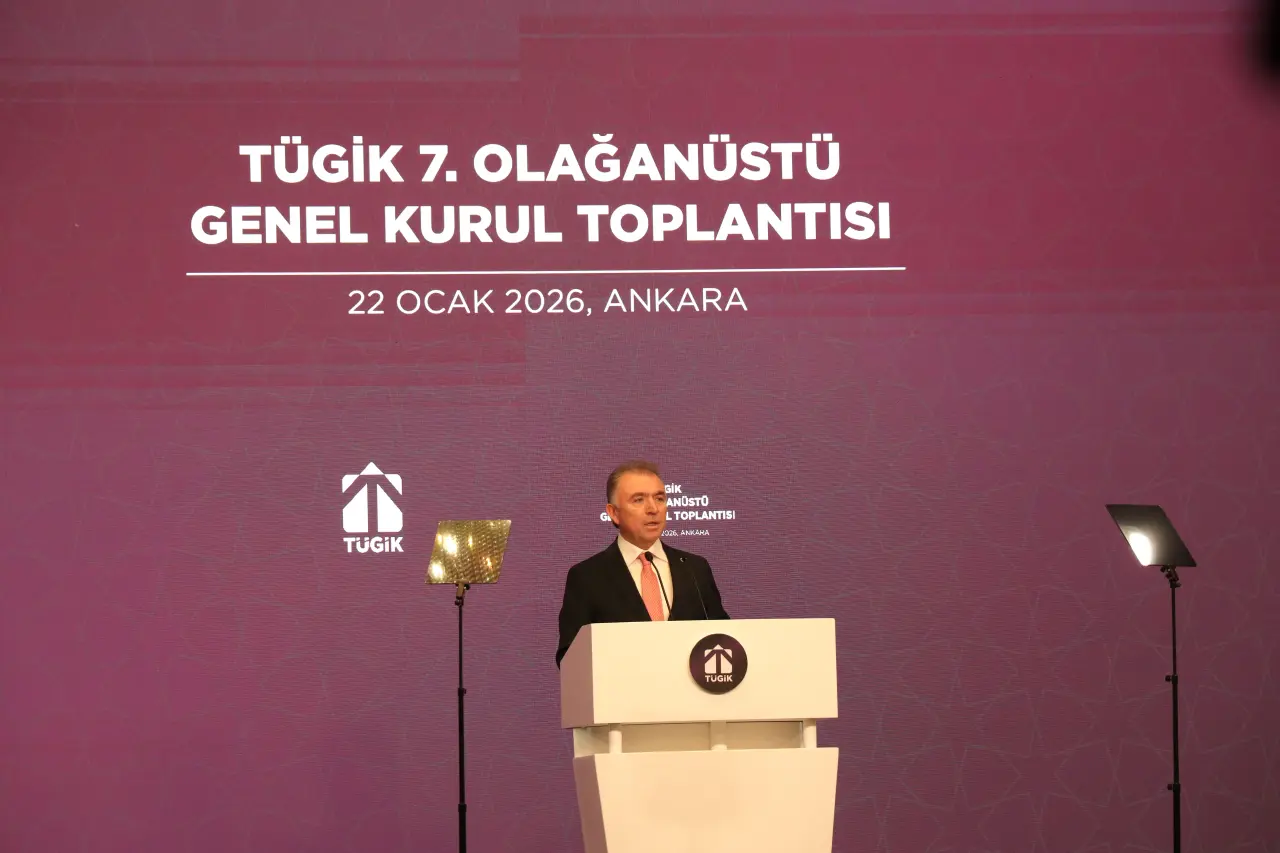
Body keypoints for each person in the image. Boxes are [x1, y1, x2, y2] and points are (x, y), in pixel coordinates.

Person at [556, 460, 730, 667]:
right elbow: (570, 657)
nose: (653, 508)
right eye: (638, 500)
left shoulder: (694, 569)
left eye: (659, 498)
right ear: (614, 513)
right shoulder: (587, 577)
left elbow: (724, 639)